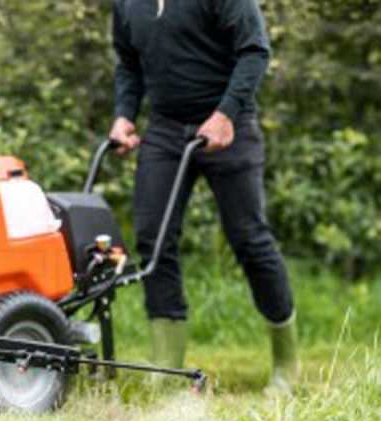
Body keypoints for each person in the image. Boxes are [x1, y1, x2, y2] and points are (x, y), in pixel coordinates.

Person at [109, 0, 300, 393]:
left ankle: (287, 362)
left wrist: (226, 113)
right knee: (153, 239)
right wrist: (125, 113)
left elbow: (255, 50)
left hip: (229, 126)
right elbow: (129, 62)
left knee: (249, 238)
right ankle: (168, 365)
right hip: (164, 129)